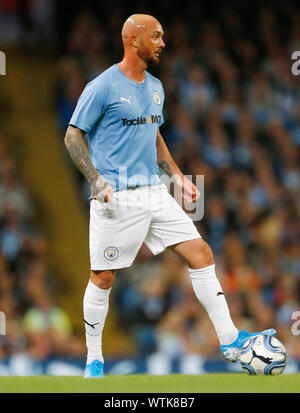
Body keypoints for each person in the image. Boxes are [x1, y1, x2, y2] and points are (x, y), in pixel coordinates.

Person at [64, 14, 276, 378]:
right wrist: (95, 180)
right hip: (117, 197)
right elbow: (72, 136)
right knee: (102, 277)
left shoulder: (156, 86)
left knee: (201, 253)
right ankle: (94, 359)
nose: (163, 43)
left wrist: (177, 177)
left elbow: (154, 135)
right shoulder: (102, 86)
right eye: (157, 36)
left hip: (153, 192)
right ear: (133, 39)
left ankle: (229, 340)